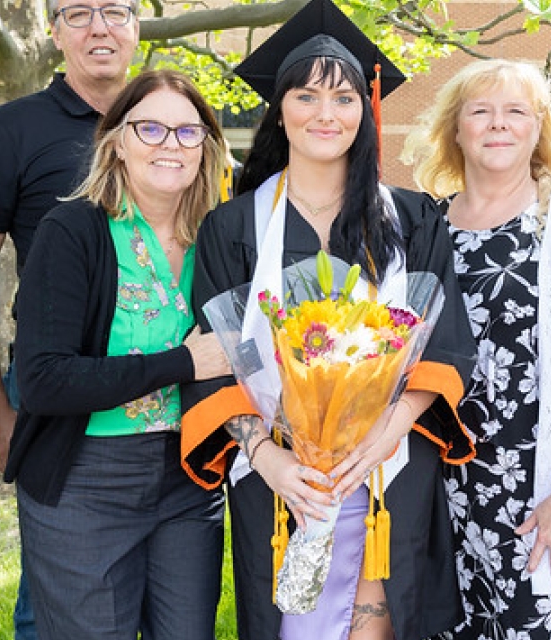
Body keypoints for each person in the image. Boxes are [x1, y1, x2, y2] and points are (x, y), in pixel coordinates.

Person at [180, 1, 476, 638]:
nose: (325, 113)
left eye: (343, 98)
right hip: (280, 477)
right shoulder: (232, 228)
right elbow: (217, 361)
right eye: (306, 96)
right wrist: (267, 459)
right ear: (279, 108)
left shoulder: (412, 217)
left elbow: (444, 346)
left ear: (364, 111)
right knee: (289, 619)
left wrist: (383, 435)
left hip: (389, 464)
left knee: (381, 616)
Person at [402, 59, 551, 639]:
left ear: (538, 130)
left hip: (536, 489)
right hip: (437, 488)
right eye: (480, 112)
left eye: (515, 113)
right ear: (456, 130)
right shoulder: (426, 228)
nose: (497, 125)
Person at [4, 69, 230, 640]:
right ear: (116, 142)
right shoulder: (74, 230)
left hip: (189, 477)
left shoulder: (219, 236)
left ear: (206, 146)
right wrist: (182, 363)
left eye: (187, 132)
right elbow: (43, 379)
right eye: (149, 128)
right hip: (86, 481)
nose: (170, 145)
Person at [0, 0, 138, 635]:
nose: (100, 27)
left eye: (116, 10)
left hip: (166, 388)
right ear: (55, 31)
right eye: (79, 12)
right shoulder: (13, 129)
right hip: (57, 391)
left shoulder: (169, 119)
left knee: (160, 589)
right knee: (53, 597)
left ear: (136, 25)